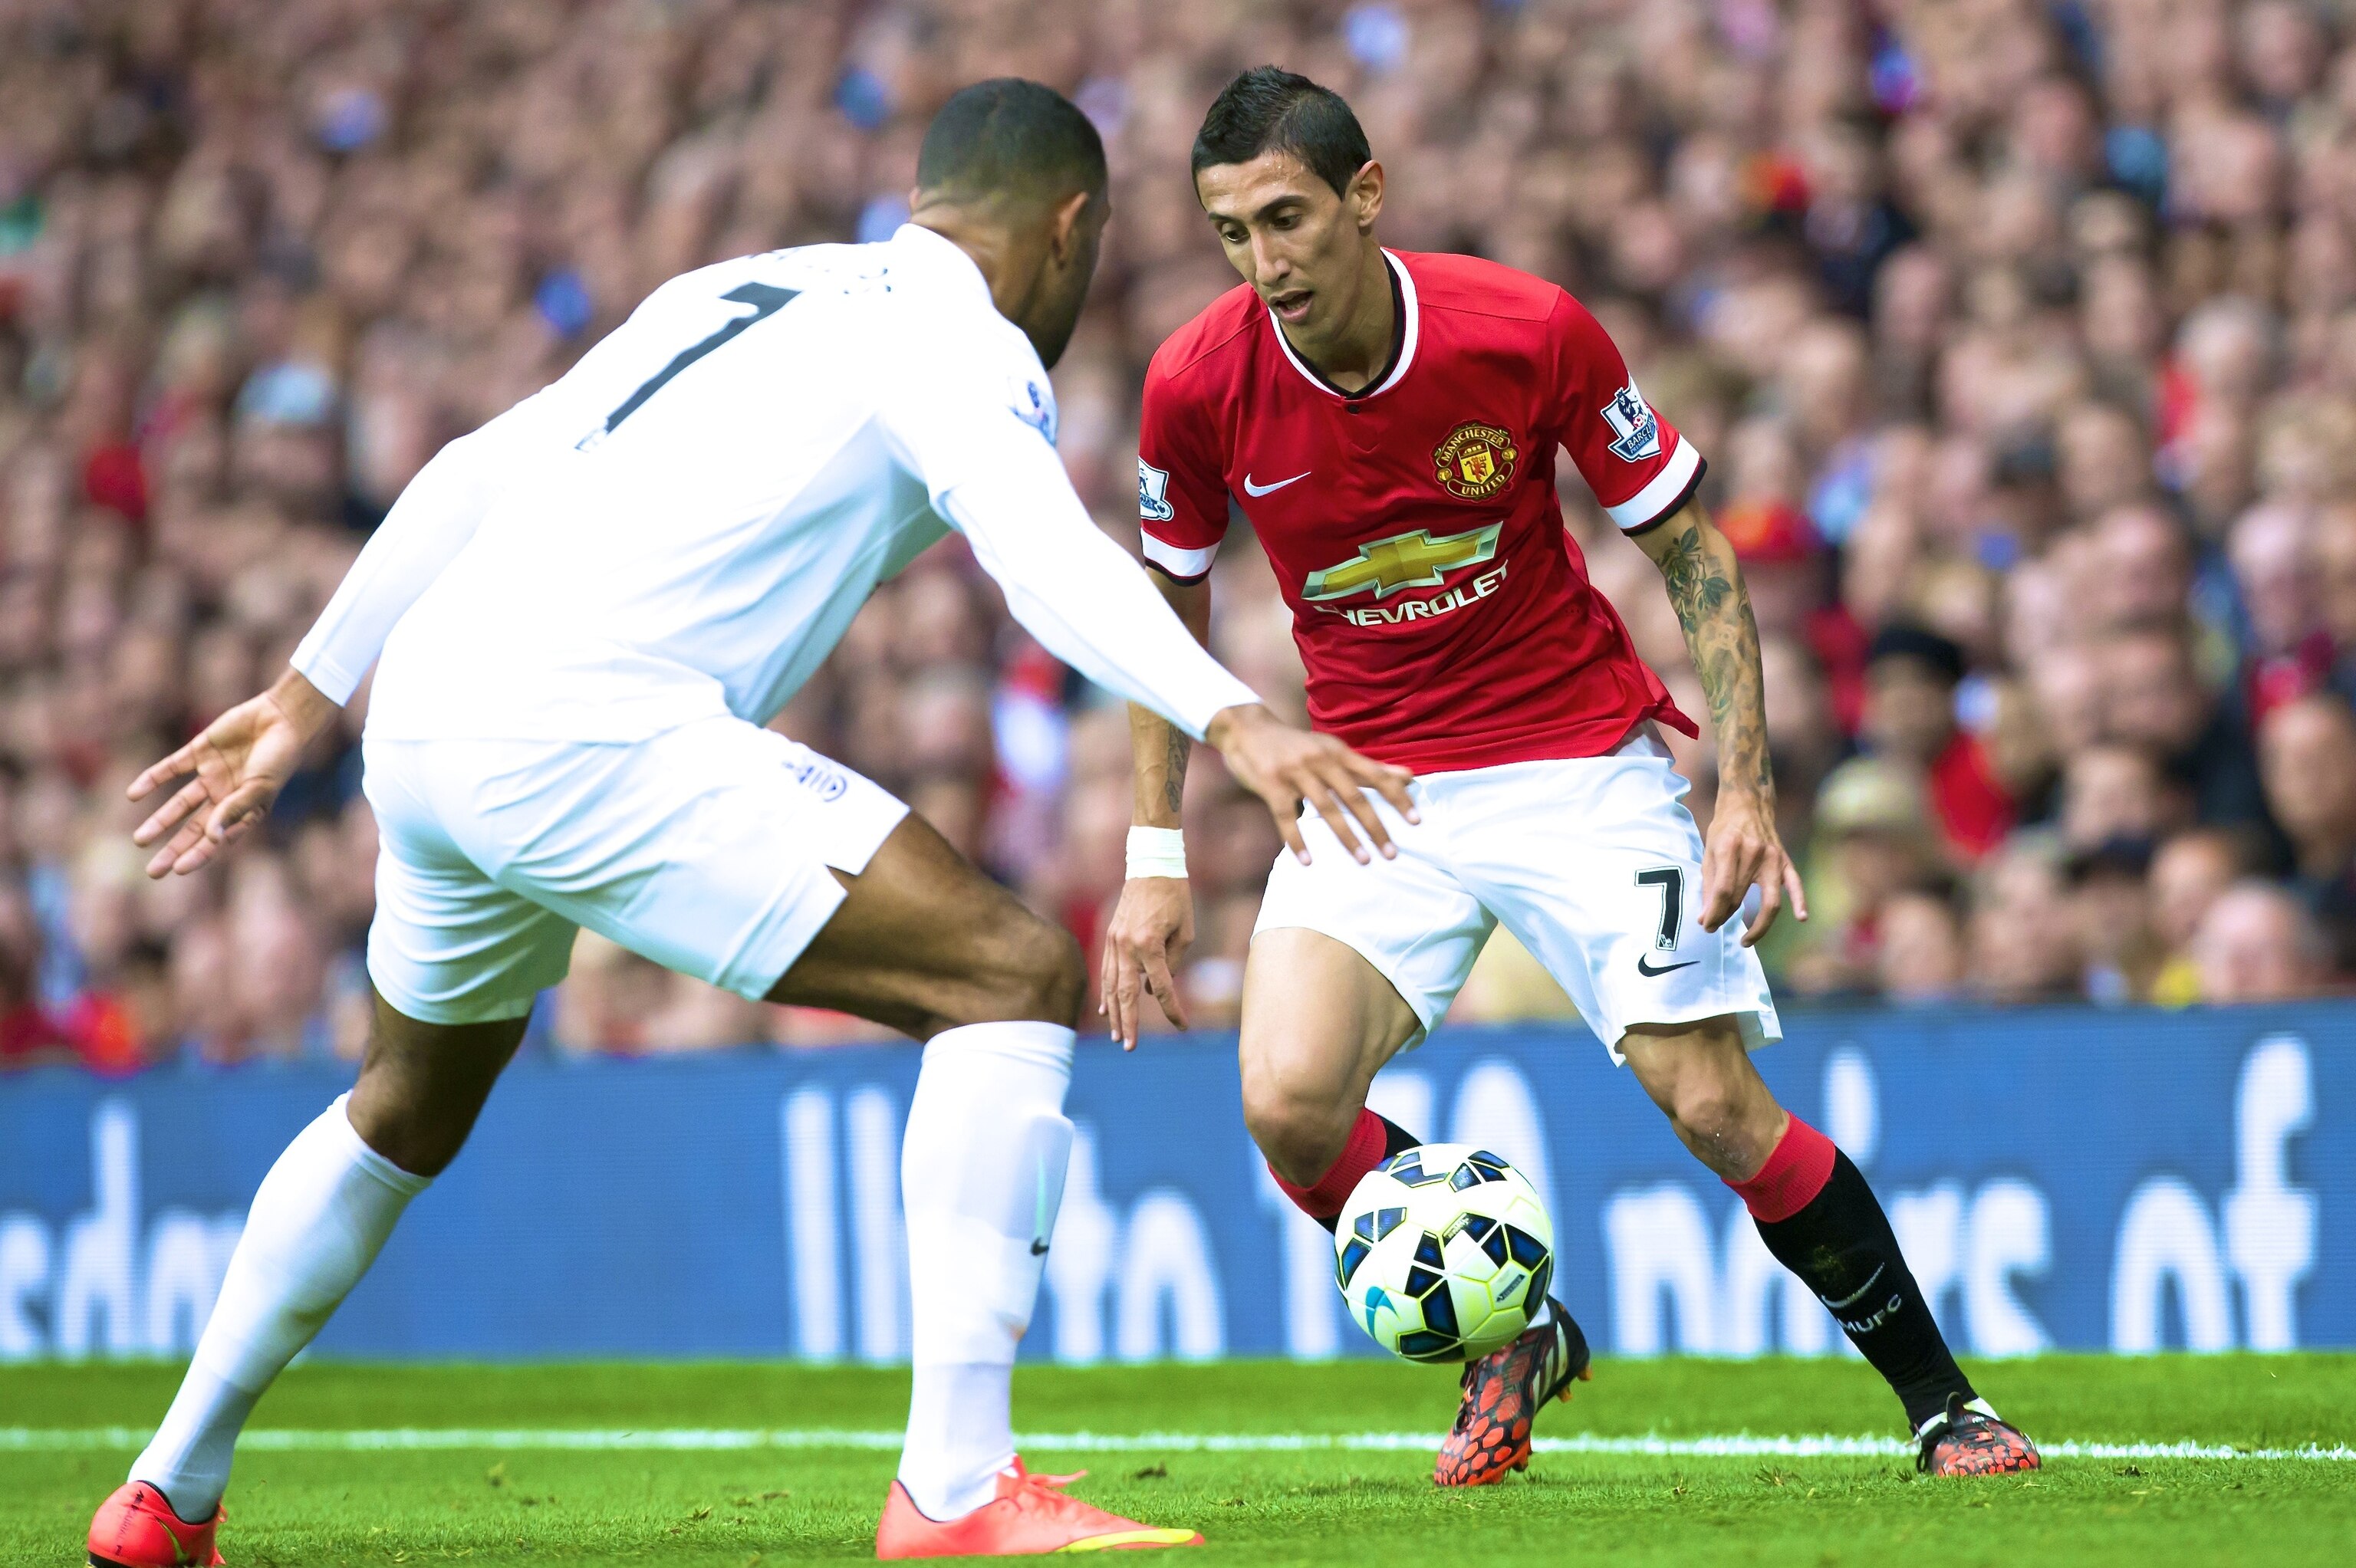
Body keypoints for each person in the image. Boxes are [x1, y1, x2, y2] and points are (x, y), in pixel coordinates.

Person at [88, 80, 1413, 1567]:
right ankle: (957, 1488)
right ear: (1069, 229)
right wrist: (1234, 715)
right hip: (585, 727)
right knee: (1010, 972)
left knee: (402, 1107)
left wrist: (304, 693)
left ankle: (164, 1493)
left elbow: (475, 465)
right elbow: (1041, 552)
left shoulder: (744, 284)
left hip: (431, 708)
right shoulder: (960, 342)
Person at [1100, 67, 2038, 1486]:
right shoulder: (1195, 381)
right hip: (1372, 785)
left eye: (1286, 218)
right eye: (1230, 232)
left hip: (1573, 761)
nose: (1263, 261)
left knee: (1714, 1105)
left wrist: (1743, 787)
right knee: (1286, 1103)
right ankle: (1518, 1330)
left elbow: (1691, 546)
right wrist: (1154, 854)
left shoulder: (1524, 328)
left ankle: (1945, 1404)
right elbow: (1162, 607)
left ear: (1366, 196)